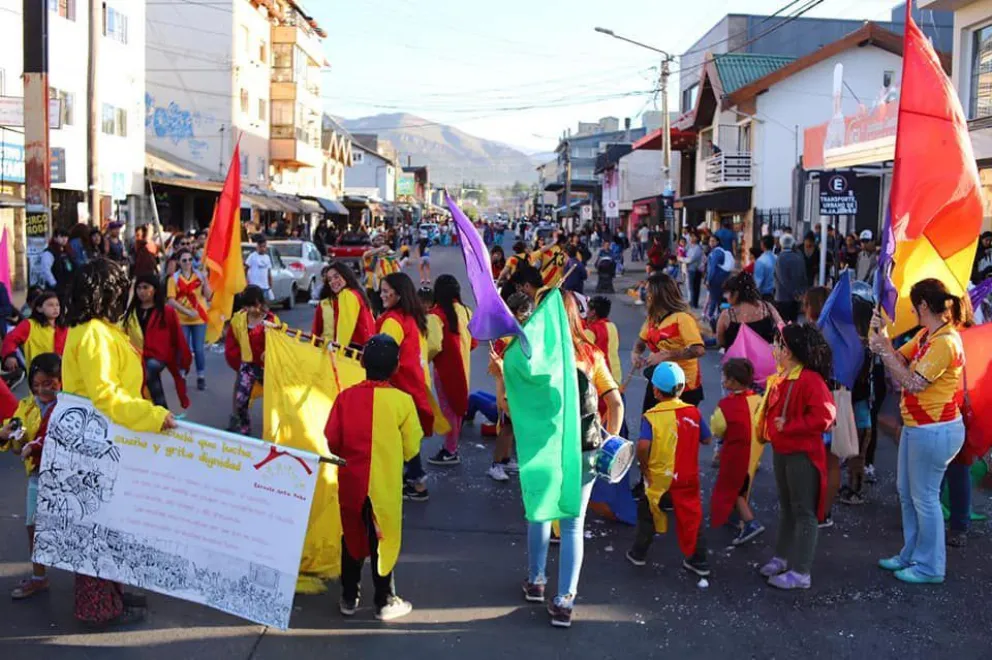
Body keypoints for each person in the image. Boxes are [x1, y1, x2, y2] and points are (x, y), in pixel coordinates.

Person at [495, 291, 622, 628]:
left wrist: (500, 376)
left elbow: (510, 408)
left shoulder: (530, 355)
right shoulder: (590, 353)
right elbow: (616, 403)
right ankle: (565, 600)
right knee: (573, 525)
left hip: (544, 448)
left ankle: (536, 581)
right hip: (586, 447)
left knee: (539, 512)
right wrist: (610, 438)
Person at [63, 259, 175, 626]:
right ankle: (97, 607)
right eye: (122, 286)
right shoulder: (93, 333)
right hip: (95, 444)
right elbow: (106, 395)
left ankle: (113, 596)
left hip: (106, 439)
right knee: (95, 526)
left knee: (109, 522)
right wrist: (153, 416)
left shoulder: (100, 330)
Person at [869, 278, 966, 584]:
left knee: (924, 497)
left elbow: (912, 382)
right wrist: (884, 340)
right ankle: (912, 554)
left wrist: (884, 351)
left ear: (924, 305)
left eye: (913, 306)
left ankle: (930, 566)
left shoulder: (945, 342)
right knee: (908, 494)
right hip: (918, 427)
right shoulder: (929, 334)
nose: (911, 311)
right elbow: (898, 360)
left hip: (935, 429)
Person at [325, 334, 419, 621]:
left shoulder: (345, 397)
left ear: (363, 363)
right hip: (385, 485)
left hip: (352, 481)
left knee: (352, 534)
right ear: (395, 367)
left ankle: (348, 596)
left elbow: (332, 439)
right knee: (383, 537)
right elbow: (412, 446)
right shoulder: (403, 401)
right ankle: (384, 599)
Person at [758, 324, 836, 590]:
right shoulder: (785, 376)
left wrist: (789, 426)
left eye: (778, 345)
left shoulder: (810, 380)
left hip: (802, 454)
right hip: (782, 450)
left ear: (788, 351)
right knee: (788, 507)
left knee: (804, 511)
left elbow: (826, 416)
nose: (774, 349)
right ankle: (781, 557)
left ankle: (801, 571)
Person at [626, 362, 711, 576]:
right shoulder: (693, 413)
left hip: (659, 477)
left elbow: (643, 446)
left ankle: (639, 553)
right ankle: (698, 560)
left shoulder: (652, 416)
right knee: (692, 516)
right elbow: (707, 439)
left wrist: (643, 467)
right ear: (682, 388)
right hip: (686, 476)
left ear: (655, 390)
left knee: (648, 513)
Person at [377, 272, 445, 501]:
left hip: (397, 388)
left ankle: (414, 483)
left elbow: (382, 356)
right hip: (414, 386)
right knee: (408, 437)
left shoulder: (392, 321)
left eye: (387, 291)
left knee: (399, 439)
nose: (382, 294)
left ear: (399, 293)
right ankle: (414, 482)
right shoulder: (413, 317)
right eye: (382, 290)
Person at [1, 352, 61, 599]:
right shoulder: (26, 406)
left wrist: (35, 445)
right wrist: (7, 435)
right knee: (33, 526)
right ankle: (39, 578)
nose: (42, 390)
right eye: (36, 385)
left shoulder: (70, 405)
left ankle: (88, 582)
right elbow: (16, 437)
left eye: (49, 383)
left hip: (64, 477)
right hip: (37, 475)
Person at [710, 358, 766, 545]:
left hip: (736, 452)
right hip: (754, 451)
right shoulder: (758, 400)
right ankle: (735, 517)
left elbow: (718, 428)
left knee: (731, 487)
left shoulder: (726, 405)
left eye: (726, 379)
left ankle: (750, 522)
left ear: (733, 382)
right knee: (743, 483)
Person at [632, 273, 706, 413]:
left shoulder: (682, 319)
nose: (645, 295)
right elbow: (641, 341)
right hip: (658, 382)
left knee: (676, 432)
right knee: (649, 424)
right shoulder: (653, 318)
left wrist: (665, 355)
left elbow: (698, 350)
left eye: (648, 291)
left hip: (682, 387)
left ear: (659, 295)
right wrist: (635, 353)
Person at [427, 275, 476, 466]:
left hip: (445, 369)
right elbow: (473, 341)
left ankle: (450, 450)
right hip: (464, 366)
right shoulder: (466, 311)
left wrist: (422, 360)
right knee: (456, 409)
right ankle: (452, 446)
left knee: (448, 409)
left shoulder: (436, 315)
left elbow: (432, 346)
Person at [124, 274, 193, 409]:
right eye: (138, 288)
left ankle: (161, 409)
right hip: (137, 355)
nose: (142, 291)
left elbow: (178, 337)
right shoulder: (131, 312)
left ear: (154, 289)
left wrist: (184, 360)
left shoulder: (167, 311)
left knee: (148, 371)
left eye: (146, 287)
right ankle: (155, 411)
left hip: (159, 356)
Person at [224, 285, 280, 435]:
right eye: (247, 306)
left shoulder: (272, 320)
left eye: (252, 305)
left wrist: (268, 353)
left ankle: (275, 431)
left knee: (274, 401)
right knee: (241, 400)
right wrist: (238, 361)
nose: (249, 309)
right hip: (247, 367)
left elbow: (279, 343)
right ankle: (244, 428)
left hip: (268, 368)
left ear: (260, 303)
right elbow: (232, 340)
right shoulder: (239, 319)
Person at [166, 249, 210, 391]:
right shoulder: (174, 279)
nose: (188, 263)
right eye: (184, 260)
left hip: (199, 318)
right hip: (182, 319)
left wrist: (206, 280)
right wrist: (186, 312)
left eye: (190, 259)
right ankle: (182, 376)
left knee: (198, 349)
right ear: (179, 262)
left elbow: (208, 296)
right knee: (182, 350)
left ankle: (201, 376)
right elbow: (171, 300)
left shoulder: (199, 276)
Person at [312, 262, 376, 349]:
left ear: (346, 275)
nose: (333, 281)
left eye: (336, 276)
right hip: (365, 350)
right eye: (329, 279)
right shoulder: (358, 294)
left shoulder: (347, 294)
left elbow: (345, 328)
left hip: (351, 352)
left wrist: (337, 350)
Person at [2, 290, 66, 374]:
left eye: (57, 305)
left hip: (63, 374)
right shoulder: (29, 325)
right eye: (50, 305)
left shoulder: (63, 327)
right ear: (39, 309)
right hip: (39, 376)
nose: (55, 308)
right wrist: (10, 355)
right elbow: (10, 339)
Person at [716, 272, 783, 350]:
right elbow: (782, 328)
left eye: (727, 293)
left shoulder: (727, 315)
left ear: (736, 293)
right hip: (764, 358)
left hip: (736, 360)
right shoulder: (767, 307)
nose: (726, 297)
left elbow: (720, 340)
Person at [584, 296, 622, 385]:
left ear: (593, 312)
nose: (586, 312)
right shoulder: (613, 326)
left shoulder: (591, 331)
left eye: (588, 309)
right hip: (616, 374)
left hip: (601, 378)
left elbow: (583, 353)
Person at [774, 234, 808, 323]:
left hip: (783, 298)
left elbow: (783, 280)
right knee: (793, 322)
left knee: (783, 324)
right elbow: (803, 277)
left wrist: (793, 293)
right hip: (796, 298)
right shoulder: (798, 257)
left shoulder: (780, 258)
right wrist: (800, 293)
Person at [704, 235, 731, 324]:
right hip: (720, 279)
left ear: (717, 242)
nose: (711, 243)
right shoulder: (717, 252)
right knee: (719, 299)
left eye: (713, 241)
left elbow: (712, 268)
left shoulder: (716, 253)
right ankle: (723, 316)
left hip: (715, 280)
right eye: (710, 241)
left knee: (714, 299)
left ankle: (711, 317)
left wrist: (708, 280)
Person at [36, 229, 72, 294]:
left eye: (66, 237)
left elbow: (69, 266)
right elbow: (46, 270)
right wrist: (54, 284)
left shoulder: (66, 250)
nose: (65, 239)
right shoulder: (49, 252)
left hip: (66, 286)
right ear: (55, 238)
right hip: (55, 289)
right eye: (61, 236)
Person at [244, 236, 273, 301]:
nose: (263, 249)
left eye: (264, 246)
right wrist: (246, 281)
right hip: (254, 287)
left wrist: (270, 284)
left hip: (265, 287)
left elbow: (268, 272)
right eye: (261, 247)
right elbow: (246, 269)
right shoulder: (252, 256)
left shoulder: (267, 257)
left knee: (264, 306)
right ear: (257, 247)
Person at [683, 232, 705, 308]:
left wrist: (683, 259)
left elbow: (691, 259)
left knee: (693, 287)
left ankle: (693, 303)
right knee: (691, 287)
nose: (692, 238)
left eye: (693, 237)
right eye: (691, 237)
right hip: (690, 268)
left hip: (695, 269)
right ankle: (692, 302)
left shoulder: (697, 248)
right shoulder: (690, 247)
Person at [753, 235, 777, 301]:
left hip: (764, 295)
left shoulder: (760, 260)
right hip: (776, 294)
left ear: (762, 245)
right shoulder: (777, 258)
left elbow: (758, 282)